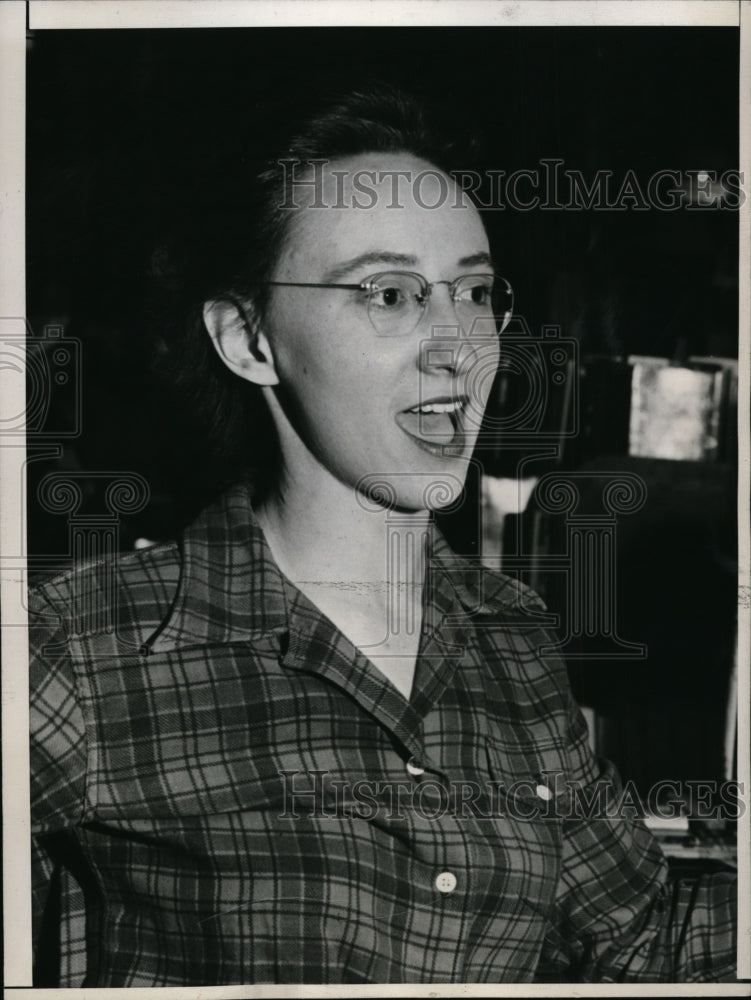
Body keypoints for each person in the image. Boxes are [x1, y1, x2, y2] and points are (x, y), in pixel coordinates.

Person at [29, 83, 736, 986]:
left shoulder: (508, 635)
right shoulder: (82, 647)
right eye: (389, 293)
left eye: (474, 292)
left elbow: (644, 941)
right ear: (248, 338)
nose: (455, 346)